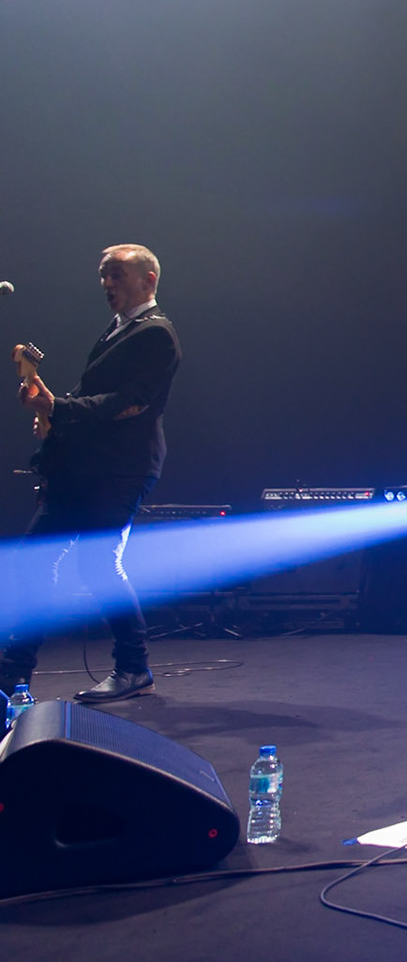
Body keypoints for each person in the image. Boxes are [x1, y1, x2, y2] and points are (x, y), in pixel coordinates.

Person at [3, 245, 181, 702]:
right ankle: (11, 678)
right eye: (104, 275)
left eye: (117, 275)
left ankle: (132, 666)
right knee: (40, 562)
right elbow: (96, 396)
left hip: (120, 470)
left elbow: (130, 402)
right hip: (87, 470)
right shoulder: (119, 330)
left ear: (149, 280)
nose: (107, 284)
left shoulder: (156, 334)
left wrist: (57, 407)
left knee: (95, 563)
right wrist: (53, 406)